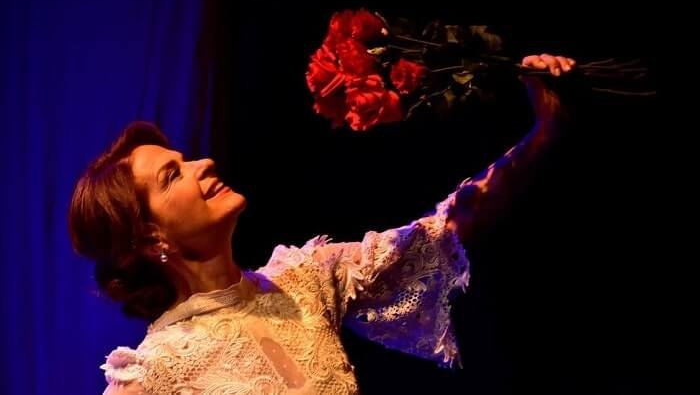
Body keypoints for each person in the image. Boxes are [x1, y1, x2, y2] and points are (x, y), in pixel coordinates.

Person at [69, 53, 576, 395]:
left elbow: (444, 229)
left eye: (186, 159)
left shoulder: (304, 280)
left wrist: (544, 132)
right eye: (172, 175)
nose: (203, 164)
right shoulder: (154, 372)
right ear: (150, 236)